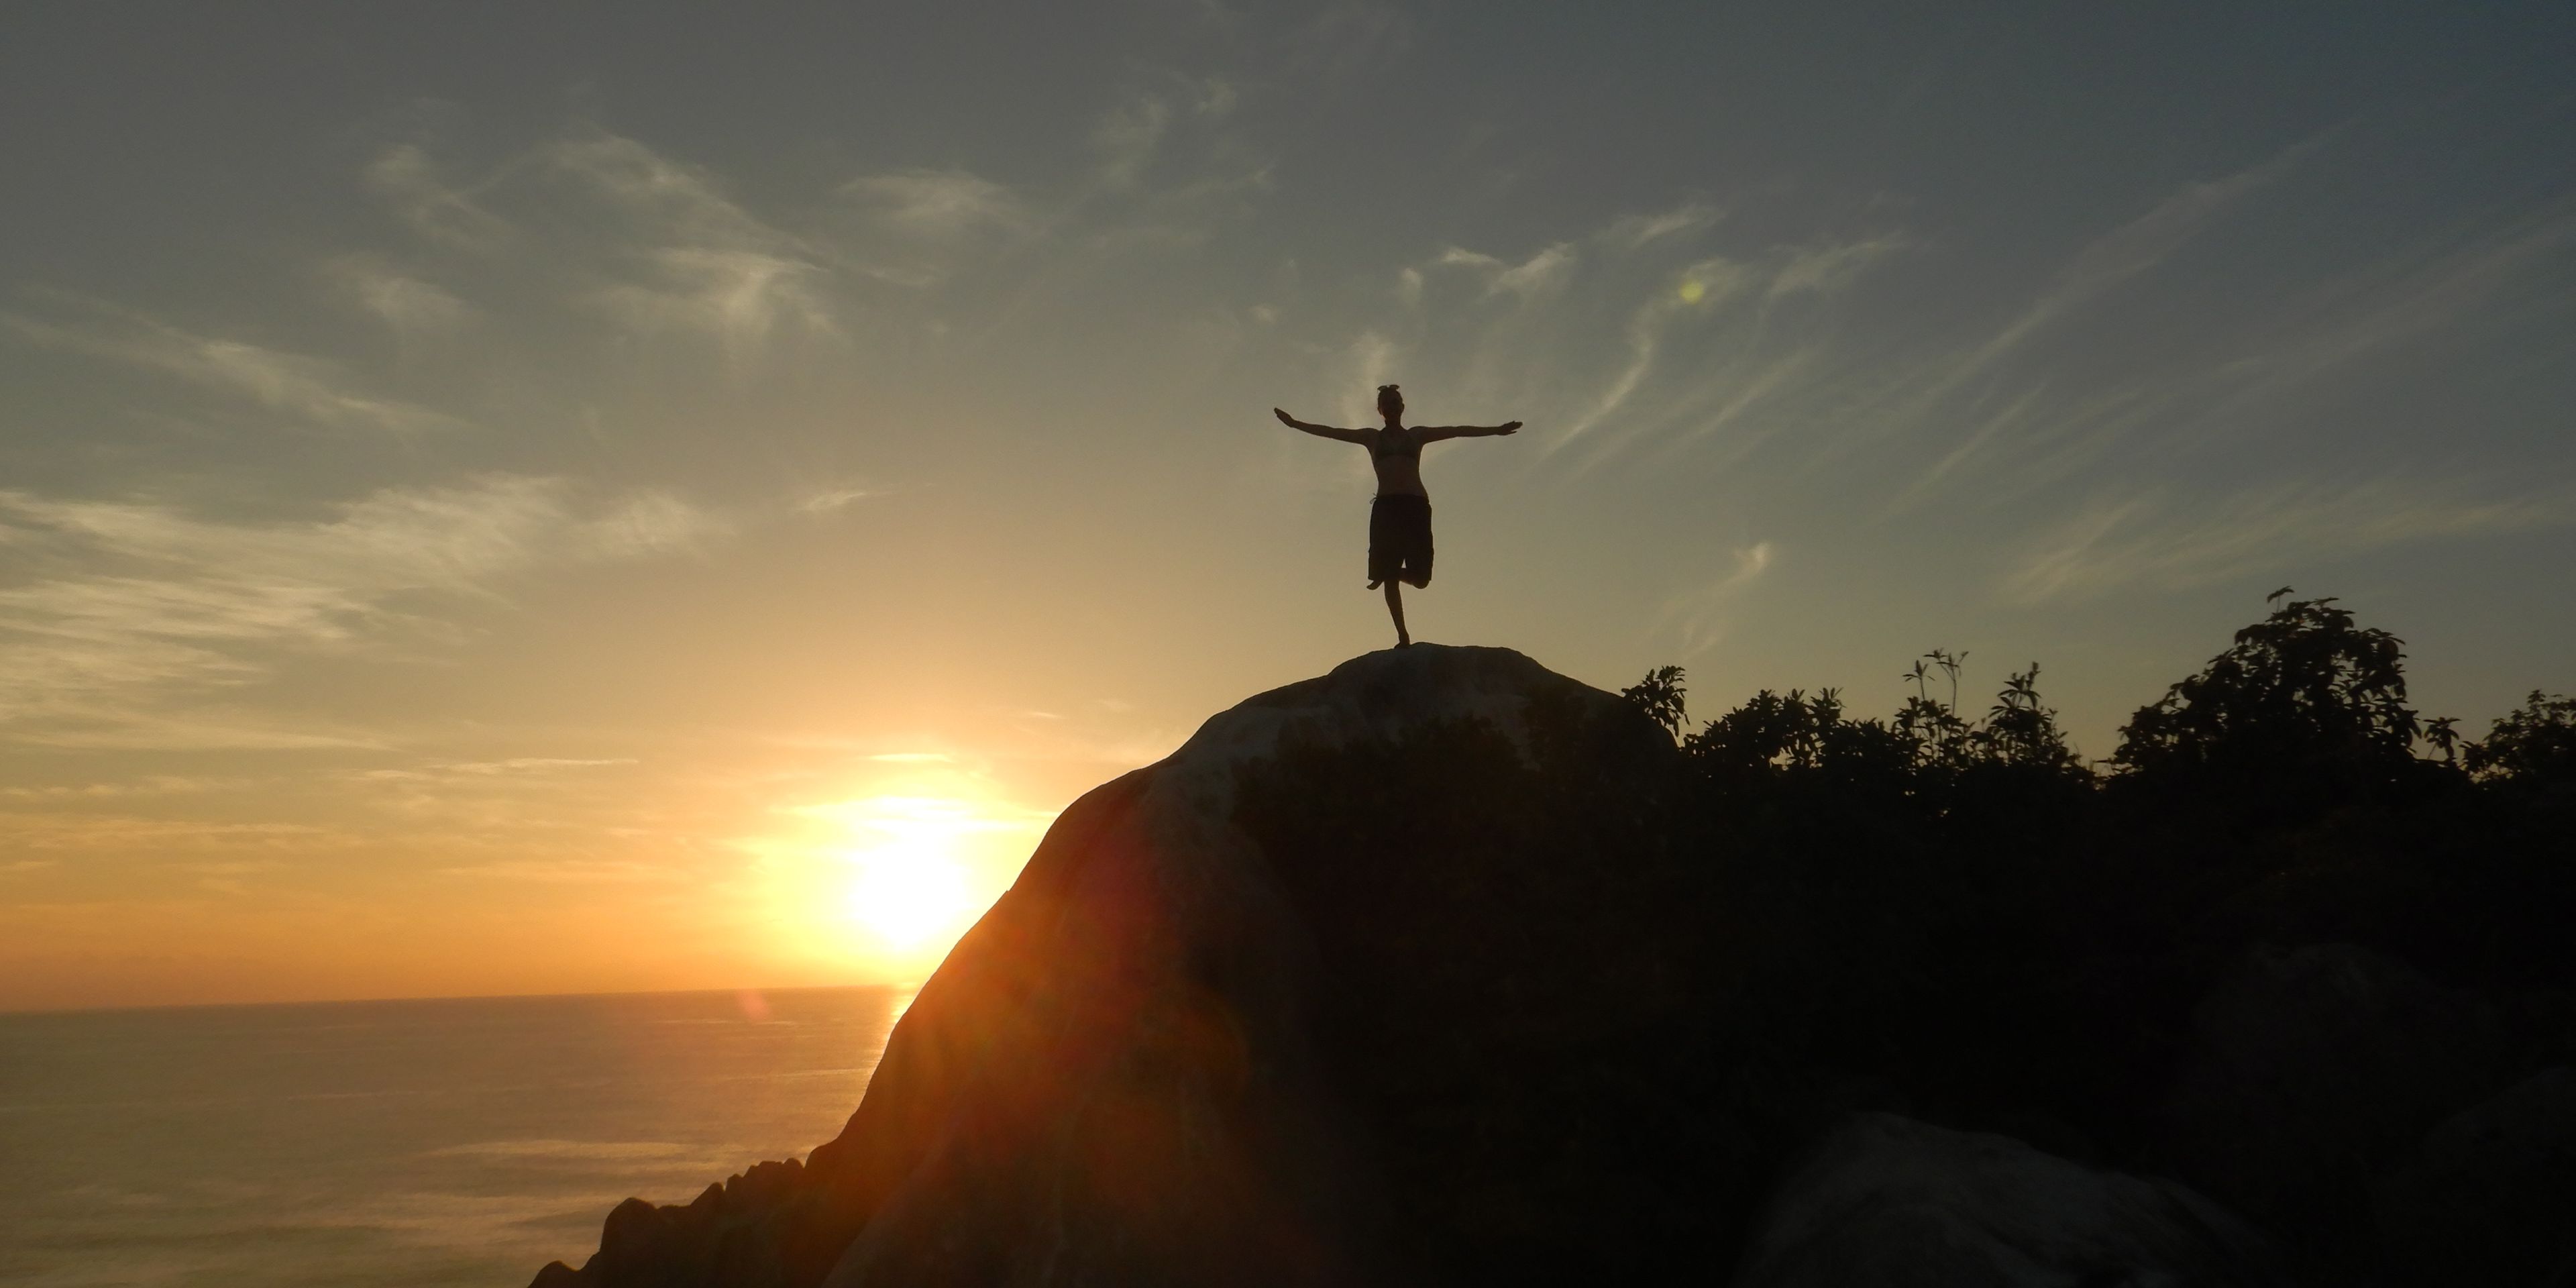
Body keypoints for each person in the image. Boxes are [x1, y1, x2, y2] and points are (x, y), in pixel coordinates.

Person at [1272, 384, 1521, 647]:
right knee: (1390, 576)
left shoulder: (1417, 436)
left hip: (1416, 506)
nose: (1392, 407)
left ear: (1403, 407)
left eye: (1396, 402)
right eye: (1386, 404)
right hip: (1386, 509)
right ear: (1380, 410)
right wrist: (1295, 424)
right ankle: (1402, 633)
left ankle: (1387, 572)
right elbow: (1334, 433)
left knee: (1422, 579)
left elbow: (1457, 431)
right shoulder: (1372, 438)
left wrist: (1495, 430)